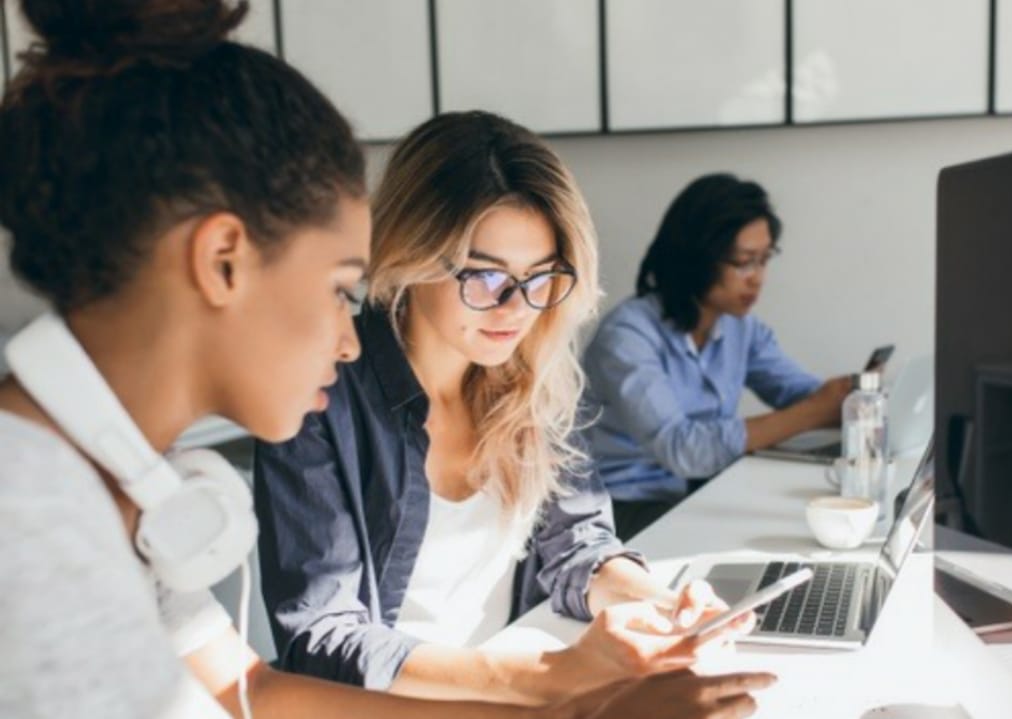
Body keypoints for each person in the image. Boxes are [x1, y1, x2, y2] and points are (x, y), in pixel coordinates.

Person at [0, 2, 770, 717]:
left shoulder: (119, 483)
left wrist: (572, 702)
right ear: (224, 259)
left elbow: (254, 690)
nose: (348, 339)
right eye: (341, 288)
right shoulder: (29, 517)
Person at [253, 111, 750, 706]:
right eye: (487, 278)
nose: (517, 309)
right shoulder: (319, 395)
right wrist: (543, 676)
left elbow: (577, 545)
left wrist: (663, 604)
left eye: (541, 278)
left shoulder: (535, 381)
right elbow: (322, 638)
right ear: (411, 256)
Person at [581, 173, 854, 539]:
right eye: (744, 262)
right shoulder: (627, 336)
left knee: (791, 518)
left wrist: (854, 399)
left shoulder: (740, 328)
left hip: (696, 491)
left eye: (764, 260)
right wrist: (815, 411)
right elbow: (681, 449)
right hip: (620, 509)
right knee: (762, 532)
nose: (757, 278)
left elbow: (800, 395)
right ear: (698, 259)